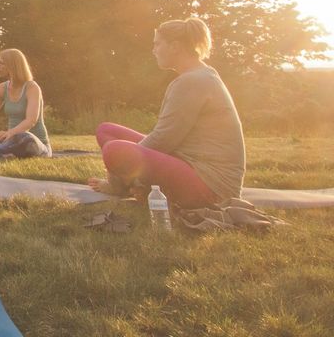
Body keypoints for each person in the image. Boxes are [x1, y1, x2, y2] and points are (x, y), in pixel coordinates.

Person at [88, 17, 245, 208]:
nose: (153, 50)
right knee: (107, 130)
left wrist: (116, 178)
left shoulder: (192, 81)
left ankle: (124, 187)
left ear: (175, 46)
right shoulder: (197, 75)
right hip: (186, 160)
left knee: (114, 150)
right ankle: (138, 186)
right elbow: (165, 139)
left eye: (157, 44)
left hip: (211, 187)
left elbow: (162, 140)